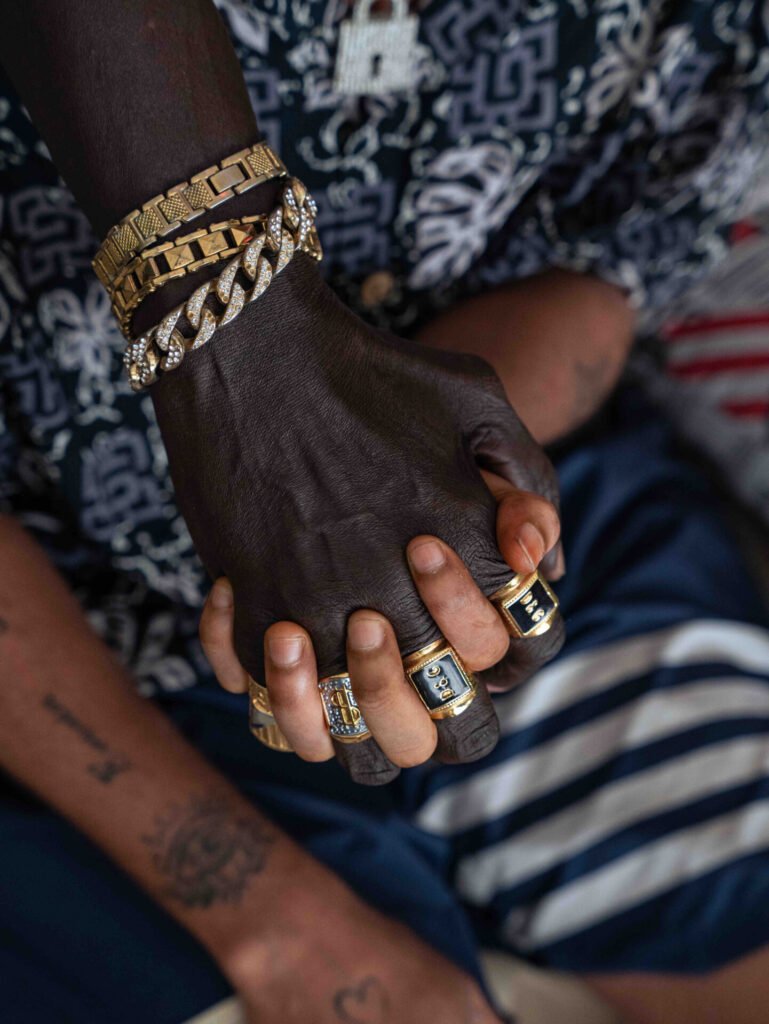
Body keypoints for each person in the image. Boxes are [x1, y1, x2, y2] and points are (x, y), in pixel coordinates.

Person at [2, 1, 769, 1021]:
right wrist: (278, 922)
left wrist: (429, 526)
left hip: (532, 519)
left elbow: (621, 249)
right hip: (67, 623)